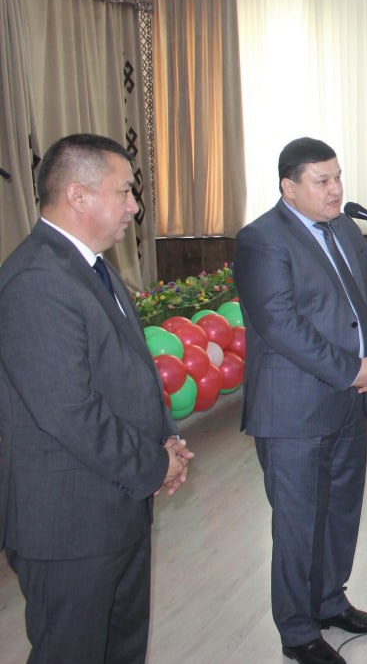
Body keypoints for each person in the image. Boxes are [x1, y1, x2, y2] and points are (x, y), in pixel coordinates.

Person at [0, 133, 192, 664]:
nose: (134, 206)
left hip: (115, 504)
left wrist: (166, 442)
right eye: (124, 191)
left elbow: (132, 373)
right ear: (78, 195)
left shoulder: (92, 266)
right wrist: (152, 465)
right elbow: (69, 412)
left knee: (121, 648)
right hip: (68, 525)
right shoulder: (37, 280)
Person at [236, 138, 367, 664]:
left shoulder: (344, 228)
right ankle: (298, 630)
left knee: (342, 509)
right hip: (294, 410)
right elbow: (280, 324)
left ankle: (329, 600)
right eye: (322, 181)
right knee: (299, 522)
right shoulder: (262, 239)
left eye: (338, 177)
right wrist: (351, 368)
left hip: (350, 399)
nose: (336, 189)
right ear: (289, 187)